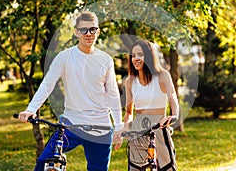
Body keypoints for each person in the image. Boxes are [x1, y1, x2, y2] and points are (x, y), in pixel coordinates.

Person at [17, 11, 123, 171]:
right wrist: (31, 109)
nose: (88, 34)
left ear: (98, 31)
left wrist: (119, 125)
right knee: (44, 163)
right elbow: (47, 84)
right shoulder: (65, 57)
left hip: (100, 127)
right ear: (76, 32)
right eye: (83, 30)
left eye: (93, 29)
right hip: (71, 124)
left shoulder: (105, 59)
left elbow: (113, 94)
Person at [122, 40, 179, 171]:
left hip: (160, 126)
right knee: (135, 168)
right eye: (133, 55)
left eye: (140, 55)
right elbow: (129, 113)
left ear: (148, 56)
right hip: (138, 128)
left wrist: (174, 115)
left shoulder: (162, 75)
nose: (135, 59)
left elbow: (172, 97)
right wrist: (126, 126)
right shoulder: (130, 81)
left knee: (168, 167)